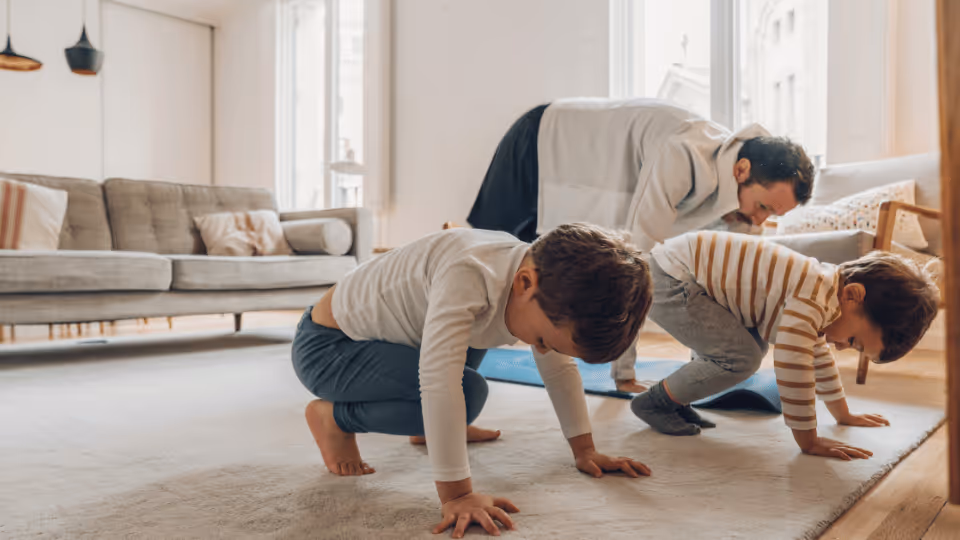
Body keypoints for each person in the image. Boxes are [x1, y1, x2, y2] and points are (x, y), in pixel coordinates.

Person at [292, 224, 653, 538]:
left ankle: (428, 427)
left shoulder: (536, 278)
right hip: (329, 349)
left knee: (470, 365)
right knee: (467, 392)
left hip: (395, 343)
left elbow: (559, 369)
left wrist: (585, 449)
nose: (541, 349)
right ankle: (335, 418)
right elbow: (439, 379)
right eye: (542, 340)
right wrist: (457, 495)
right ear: (525, 283)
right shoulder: (469, 272)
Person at [466, 98, 816, 393]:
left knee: (529, 271)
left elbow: (729, 286)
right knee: (490, 265)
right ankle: (446, 388)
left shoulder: (741, 197)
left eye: (771, 215)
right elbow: (635, 261)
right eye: (763, 208)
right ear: (741, 170)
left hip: (582, 162)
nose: (758, 221)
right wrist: (624, 375)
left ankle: (461, 386)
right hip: (542, 138)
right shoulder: (683, 153)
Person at [629, 231, 939, 460]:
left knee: (752, 348)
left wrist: (842, 414)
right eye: (855, 342)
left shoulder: (826, 294)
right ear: (853, 295)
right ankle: (653, 402)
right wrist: (809, 441)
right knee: (742, 357)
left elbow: (818, 357)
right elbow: (795, 367)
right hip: (672, 278)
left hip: (682, 273)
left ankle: (677, 399)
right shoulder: (813, 296)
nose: (842, 347)